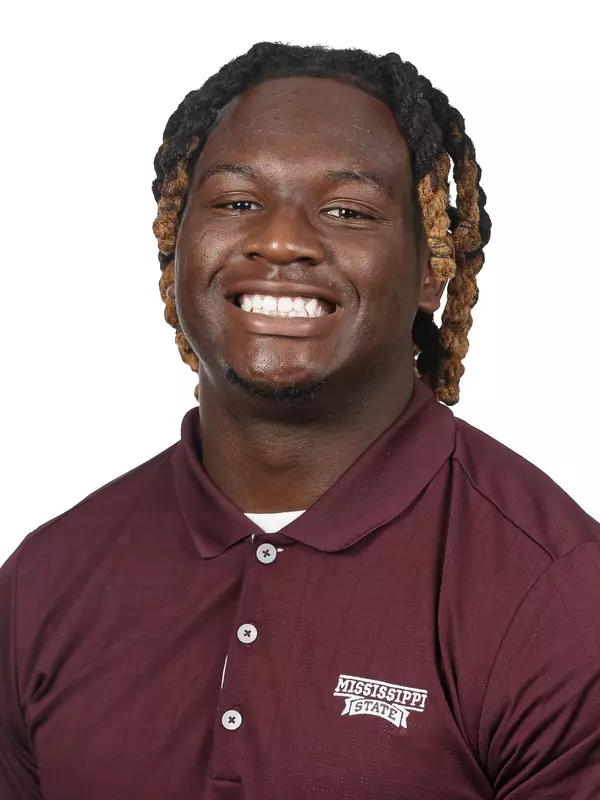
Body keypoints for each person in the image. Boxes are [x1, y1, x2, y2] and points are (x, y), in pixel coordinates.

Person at [1, 42, 598, 800]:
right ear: (174, 244)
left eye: (346, 210)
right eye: (237, 202)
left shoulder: (558, 596)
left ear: (431, 266)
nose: (279, 240)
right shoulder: (46, 579)